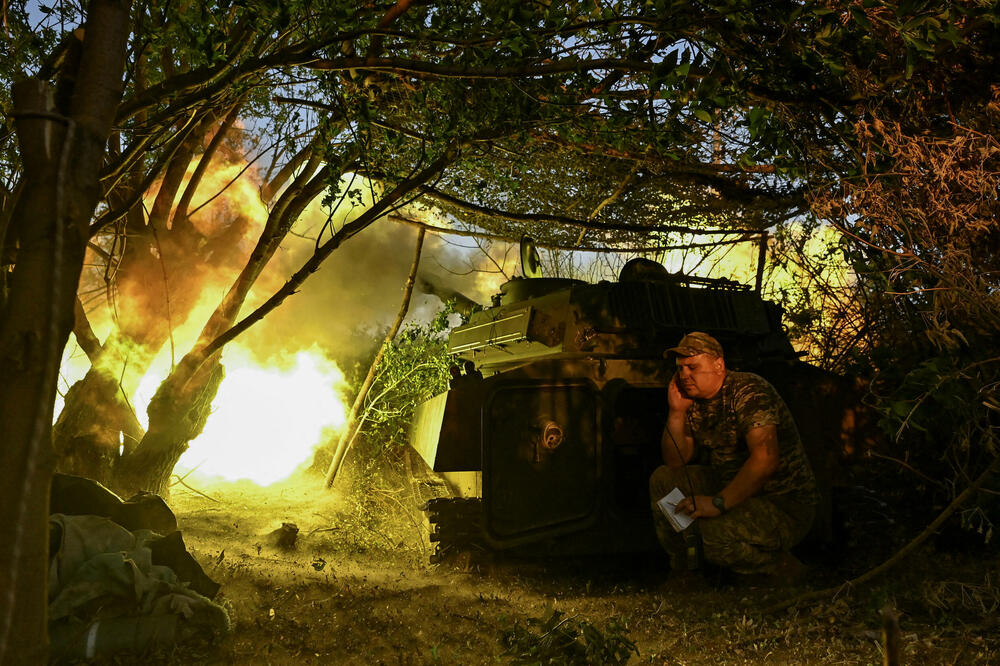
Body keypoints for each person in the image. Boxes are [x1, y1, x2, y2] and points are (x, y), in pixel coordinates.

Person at [649, 331, 818, 580]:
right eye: (681, 368)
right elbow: (676, 462)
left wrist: (718, 503)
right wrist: (676, 413)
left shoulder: (748, 390)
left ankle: (781, 568)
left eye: (692, 367)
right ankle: (686, 569)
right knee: (663, 479)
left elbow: (765, 460)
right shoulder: (691, 400)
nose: (684, 375)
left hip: (782, 503)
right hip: (731, 487)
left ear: (719, 364)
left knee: (710, 534)